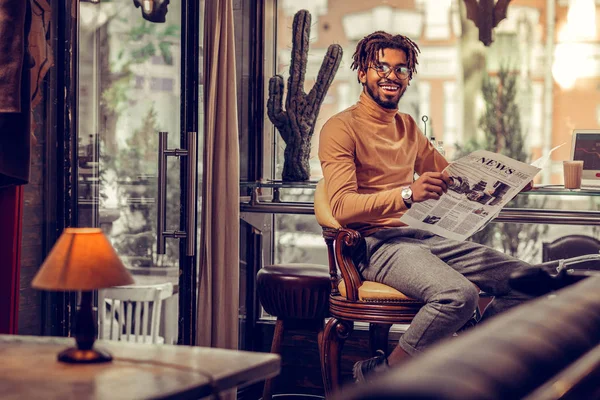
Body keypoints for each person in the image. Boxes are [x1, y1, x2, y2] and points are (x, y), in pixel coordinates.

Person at [318, 31, 532, 383]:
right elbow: (341, 207)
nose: (391, 76)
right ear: (362, 72)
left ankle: (464, 359)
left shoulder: (407, 126)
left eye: (401, 70)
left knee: (523, 280)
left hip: (422, 236)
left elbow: (450, 178)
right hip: (373, 244)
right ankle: (381, 376)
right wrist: (406, 194)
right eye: (381, 67)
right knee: (457, 295)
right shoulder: (340, 128)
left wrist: (506, 182)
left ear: (408, 76)